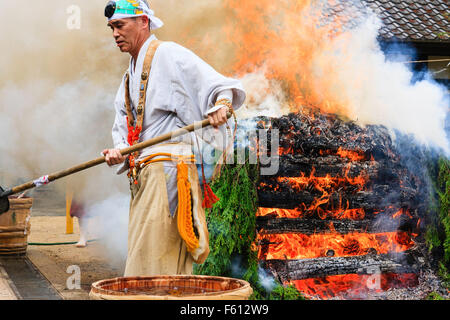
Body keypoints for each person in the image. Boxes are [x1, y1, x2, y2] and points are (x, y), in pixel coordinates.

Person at [101, 0, 246, 277]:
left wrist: (222, 106)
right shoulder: (127, 78)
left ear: (143, 21)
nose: (115, 34)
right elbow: (123, 129)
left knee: (153, 257)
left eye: (120, 25)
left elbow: (220, 86)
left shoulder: (167, 53)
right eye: (111, 28)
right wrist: (119, 151)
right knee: (149, 253)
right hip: (145, 176)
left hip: (168, 172)